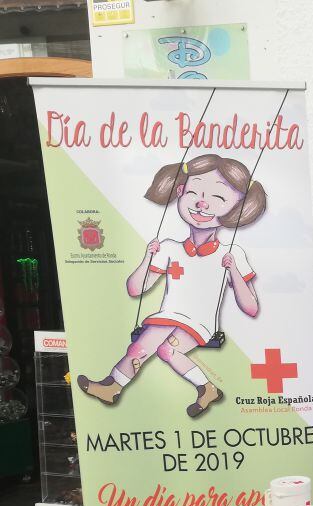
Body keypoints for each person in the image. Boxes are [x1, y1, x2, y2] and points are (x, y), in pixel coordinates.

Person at [76, 153, 265, 418]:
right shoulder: (169, 249)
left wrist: (233, 268)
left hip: (199, 322)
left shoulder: (231, 252)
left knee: (159, 344)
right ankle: (203, 388)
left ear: (236, 207)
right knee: (155, 347)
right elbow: (135, 289)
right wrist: (147, 258)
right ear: (180, 191)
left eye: (219, 198)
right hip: (168, 316)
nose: (201, 203)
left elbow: (251, 307)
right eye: (194, 193)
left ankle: (115, 385)